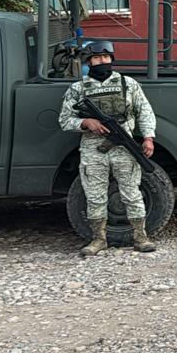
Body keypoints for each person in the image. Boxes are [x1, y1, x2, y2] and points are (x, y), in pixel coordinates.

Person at [58, 40, 158, 256]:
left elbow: (144, 111)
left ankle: (141, 238)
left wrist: (148, 138)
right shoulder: (78, 88)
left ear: (111, 59)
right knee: (95, 196)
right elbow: (65, 120)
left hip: (125, 147)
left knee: (132, 194)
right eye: (97, 58)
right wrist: (86, 123)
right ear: (90, 61)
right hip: (94, 149)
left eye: (106, 58)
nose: (102, 61)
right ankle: (98, 239)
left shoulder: (128, 84)